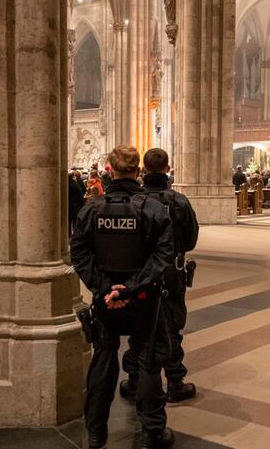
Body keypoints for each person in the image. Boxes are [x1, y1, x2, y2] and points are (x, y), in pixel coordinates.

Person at [71, 145, 176, 449]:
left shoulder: (92, 208)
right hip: (144, 299)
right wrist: (132, 287)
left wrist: (103, 288)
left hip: (106, 302)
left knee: (103, 359)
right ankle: (153, 431)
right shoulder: (153, 210)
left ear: (111, 169)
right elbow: (164, 255)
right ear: (137, 170)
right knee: (147, 361)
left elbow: (79, 252)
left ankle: (95, 432)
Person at [120, 148, 199, 405]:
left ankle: (133, 380)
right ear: (167, 168)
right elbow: (190, 240)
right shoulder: (179, 201)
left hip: (139, 274)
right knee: (172, 325)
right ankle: (175, 382)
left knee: (138, 324)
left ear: (144, 168)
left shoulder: (132, 200)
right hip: (170, 273)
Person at [68, 169, 86, 233]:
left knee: (68, 220)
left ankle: (68, 234)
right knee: (75, 220)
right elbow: (81, 194)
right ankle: (75, 233)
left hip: (67, 204)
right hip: (75, 205)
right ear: (73, 177)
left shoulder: (65, 184)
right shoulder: (75, 184)